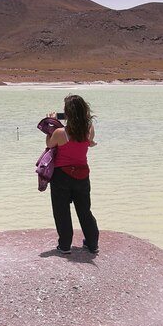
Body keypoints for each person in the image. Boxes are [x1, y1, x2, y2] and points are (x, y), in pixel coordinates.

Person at [45, 94, 99, 254]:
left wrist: (52, 124)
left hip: (61, 175)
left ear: (68, 113)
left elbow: (49, 144)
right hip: (82, 174)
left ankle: (65, 245)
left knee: (61, 210)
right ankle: (92, 243)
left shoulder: (61, 132)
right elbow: (89, 141)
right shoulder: (89, 129)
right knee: (84, 210)